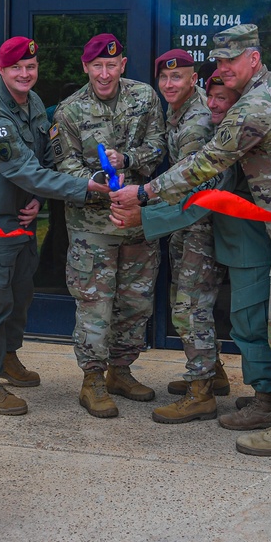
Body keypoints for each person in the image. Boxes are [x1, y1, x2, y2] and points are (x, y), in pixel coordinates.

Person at [111, 23, 271, 457]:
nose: (224, 68)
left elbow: (209, 163)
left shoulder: (256, 104)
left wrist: (145, 194)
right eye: (219, 60)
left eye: (231, 60)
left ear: (254, 57)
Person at [111, 70, 271, 431]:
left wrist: (143, 214)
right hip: (228, 234)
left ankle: (243, 396)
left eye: (223, 99)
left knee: (242, 318)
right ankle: (219, 378)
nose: (214, 105)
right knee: (226, 315)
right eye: (213, 96)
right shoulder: (203, 123)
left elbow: (203, 195)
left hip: (245, 236)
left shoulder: (221, 131)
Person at [0, 37, 110, 416]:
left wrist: (37, 200)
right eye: (16, 69)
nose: (25, 74)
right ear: (1, 70)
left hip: (22, 222)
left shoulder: (34, 103)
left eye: (30, 67)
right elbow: (22, 169)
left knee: (19, 296)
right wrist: (83, 188)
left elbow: (42, 159)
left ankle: (7, 359)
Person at [52, 33, 167, 418]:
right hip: (92, 226)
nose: (104, 73)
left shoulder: (144, 97)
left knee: (135, 303)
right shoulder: (69, 111)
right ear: (86, 68)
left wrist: (129, 159)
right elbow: (64, 165)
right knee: (95, 306)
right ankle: (93, 380)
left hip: (136, 222)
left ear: (123, 64)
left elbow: (158, 145)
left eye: (111, 65)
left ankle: (121, 370)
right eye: (96, 66)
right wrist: (99, 182)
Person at [147, 49, 227, 424]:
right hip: (186, 223)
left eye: (177, 78)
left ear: (193, 79)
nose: (168, 84)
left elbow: (193, 180)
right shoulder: (175, 110)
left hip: (199, 225)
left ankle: (201, 393)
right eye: (163, 78)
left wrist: (145, 206)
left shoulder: (195, 120)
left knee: (189, 306)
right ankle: (214, 373)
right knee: (192, 301)